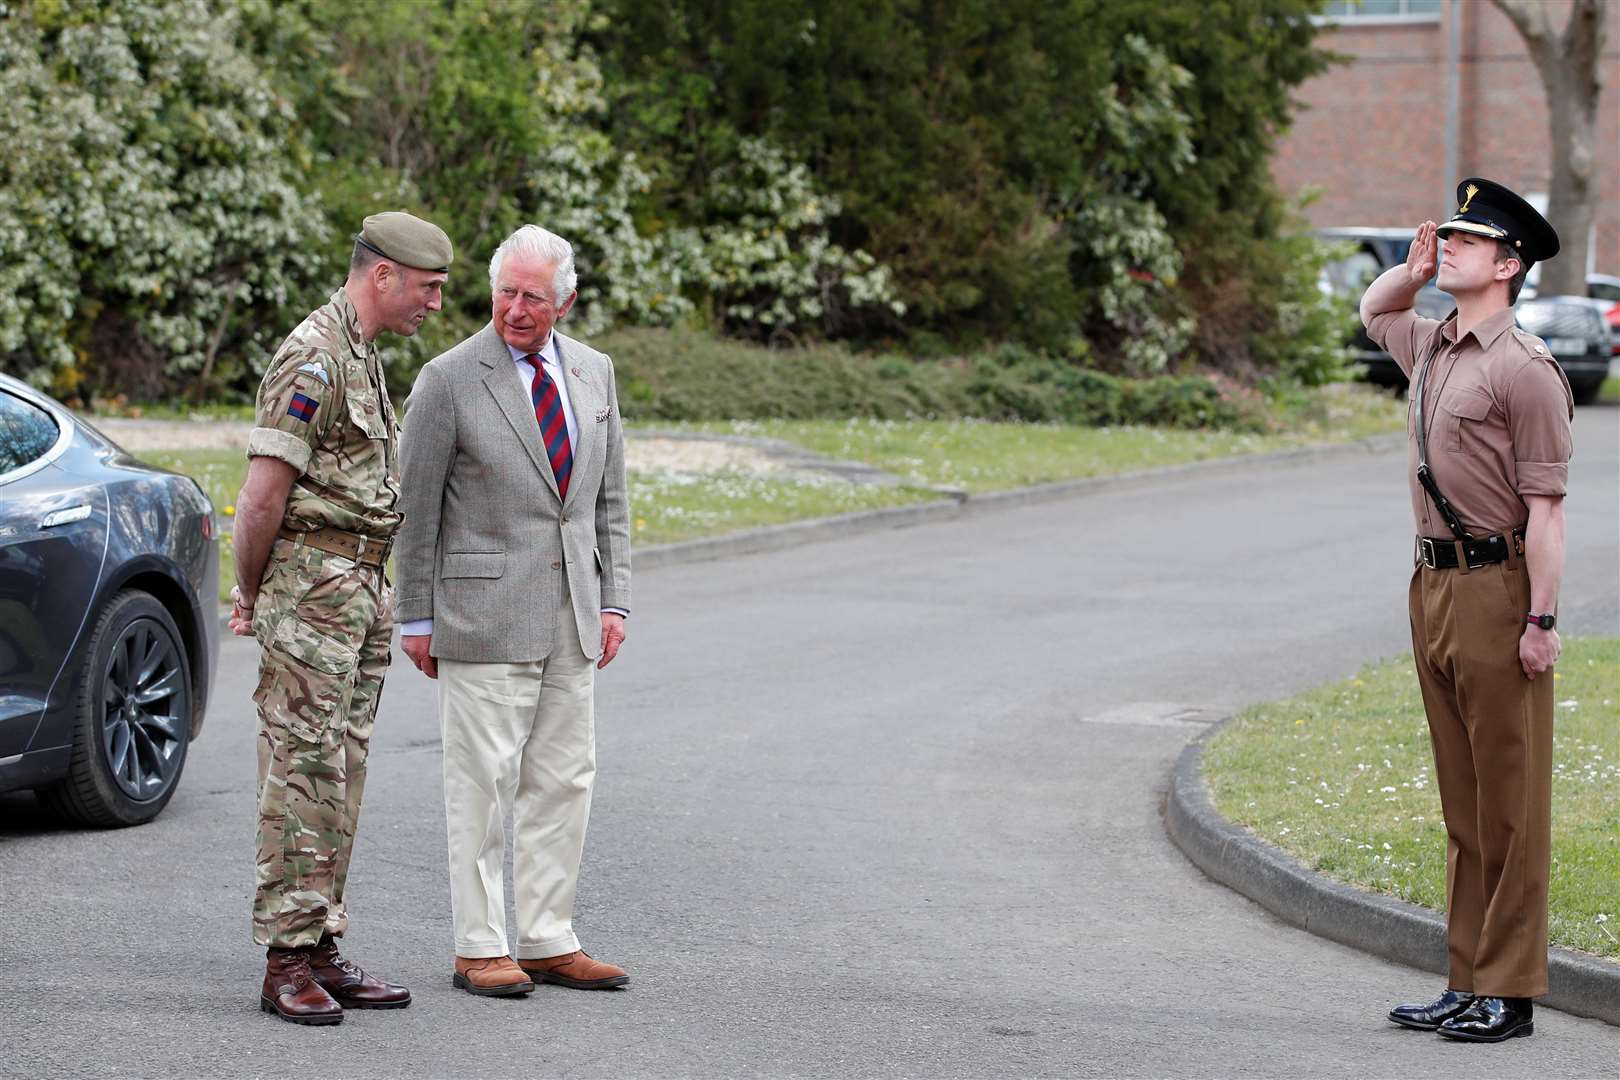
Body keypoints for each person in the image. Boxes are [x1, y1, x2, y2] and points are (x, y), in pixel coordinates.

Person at [395, 224, 632, 997]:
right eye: (505, 292)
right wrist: (416, 617)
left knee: (565, 779)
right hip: (480, 613)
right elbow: (415, 508)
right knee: (483, 787)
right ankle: (478, 947)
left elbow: (609, 502)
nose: (516, 309)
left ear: (565, 300)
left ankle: (547, 938)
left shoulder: (595, 374)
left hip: (574, 611)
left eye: (533, 295)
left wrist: (616, 598)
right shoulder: (449, 379)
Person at [1359, 179, 1571, 1043]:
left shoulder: (1525, 370)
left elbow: (1549, 510)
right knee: (1462, 799)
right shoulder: (1437, 345)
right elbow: (1375, 313)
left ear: (1509, 264)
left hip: (1499, 592)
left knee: (1509, 802)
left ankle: (1510, 992)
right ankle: (1465, 975)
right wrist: (1409, 274)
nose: (1449, 247)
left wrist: (1541, 623)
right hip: (1433, 587)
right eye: (1446, 236)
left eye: (1467, 242)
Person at [231, 211, 453, 1025]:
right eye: (428, 287)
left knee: (340, 768)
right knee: (300, 771)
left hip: (358, 588)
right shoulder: (313, 357)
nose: (435, 302)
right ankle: (284, 959)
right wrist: (254, 593)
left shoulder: (363, 355)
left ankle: (320, 942)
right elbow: (261, 497)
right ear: (383, 274)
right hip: (311, 590)